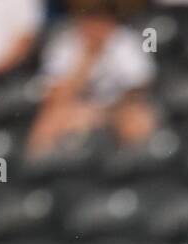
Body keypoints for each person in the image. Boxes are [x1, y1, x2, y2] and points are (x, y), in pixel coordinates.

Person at [26, 0, 157, 155]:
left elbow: (140, 87)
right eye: (89, 19)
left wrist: (109, 109)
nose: (95, 26)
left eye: (100, 19)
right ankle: (38, 173)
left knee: (138, 118)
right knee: (49, 120)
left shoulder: (125, 41)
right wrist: (87, 60)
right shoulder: (65, 43)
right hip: (78, 108)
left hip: (117, 108)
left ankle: (137, 172)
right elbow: (57, 95)